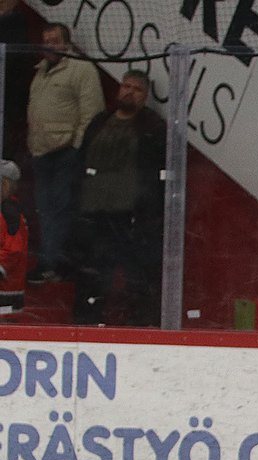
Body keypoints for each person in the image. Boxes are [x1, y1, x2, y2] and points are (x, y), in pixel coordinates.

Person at [71, 70, 165, 327]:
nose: (129, 91)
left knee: (136, 274)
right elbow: (80, 160)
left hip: (130, 216)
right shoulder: (100, 121)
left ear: (145, 97)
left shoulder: (152, 127)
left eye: (136, 89)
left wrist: (147, 212)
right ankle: (86, 322)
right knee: (92, 272)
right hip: (94, 212)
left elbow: (157, 173)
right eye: (126, 86)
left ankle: (139, 326)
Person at [26, 22, 104, 284]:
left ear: (67, 43)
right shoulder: (40, 73)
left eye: (54, 40)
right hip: (40, 152)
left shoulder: (81, 70)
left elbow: (92, 113)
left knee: (59, 210)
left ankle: (52, 262)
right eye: (45, 39)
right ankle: (54, 260)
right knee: (45, 210)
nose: (49, 44)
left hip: (63, 154)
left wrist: (76, 148)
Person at [0, 160, 26, 316]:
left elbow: (14, 249)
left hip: (6, 289)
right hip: (9, 286)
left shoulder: (9, 212)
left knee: (4, 328)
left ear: (5, 184)